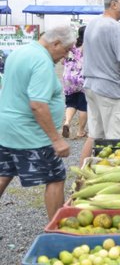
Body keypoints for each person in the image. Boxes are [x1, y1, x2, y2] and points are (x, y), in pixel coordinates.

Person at [0, 25, 73, 220]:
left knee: (4, 172)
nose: (65, 56)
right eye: (65, 50)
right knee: (56, 176)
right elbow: (38, 105)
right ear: (55, 43)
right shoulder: (41, 61)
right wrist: (56, 140)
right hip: (29, 132)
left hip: (7, 129)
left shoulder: (21, 51)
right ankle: (57, 229)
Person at [79, 0, 120, 166]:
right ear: (114, 4)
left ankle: (82, 177)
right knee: (118, 141)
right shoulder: (114, 27)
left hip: (91, 86)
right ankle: (117, 182)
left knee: (95, 135)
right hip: (112, 91)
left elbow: (83, 50)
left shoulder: (92, 23)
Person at [62, 25, 88, 139]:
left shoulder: (72, 45)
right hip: (82, 78)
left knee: (71, 103)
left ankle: (67, 122)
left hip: (68, 77)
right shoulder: (89, 46)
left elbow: (63, 61)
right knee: (84, 106)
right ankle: (80, 132)